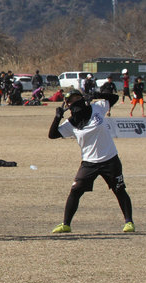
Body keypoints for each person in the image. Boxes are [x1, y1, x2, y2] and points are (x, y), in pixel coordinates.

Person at [48, 88, 135, 234]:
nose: (75, 102)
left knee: (119, 190)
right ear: (67, 105)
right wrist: (57, 118)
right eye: (71, 101)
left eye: (77, 98)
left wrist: (97, 95)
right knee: (75, 191)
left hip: (110, 159)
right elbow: (52, 135)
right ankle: (66, 224)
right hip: (89, 163)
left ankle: (129, 222)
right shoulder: (71, 123)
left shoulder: (97, 108)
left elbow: (113, 98)